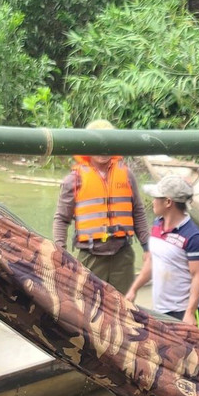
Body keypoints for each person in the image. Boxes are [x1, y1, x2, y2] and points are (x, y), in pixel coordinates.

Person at [53, 119, 149, 291]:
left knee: (123, 308)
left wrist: (147, 247)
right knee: (88, 310)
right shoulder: (74, 180)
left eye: (108, 144)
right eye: (98, 144)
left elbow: (138, 212)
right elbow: (61, 219)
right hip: (91, 257)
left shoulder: (126, 175)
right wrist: (61, 252)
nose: (103, 151)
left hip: (122, 256)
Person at [125, 174, 199, 323]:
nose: (153, 201)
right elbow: (151, 262)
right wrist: (134, 289)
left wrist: (190, 312)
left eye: (156, 197)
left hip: (182, 311)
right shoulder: (157, 225)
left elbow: (198, 277)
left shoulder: (194, 237)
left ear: (168, 202)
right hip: (160, 309)